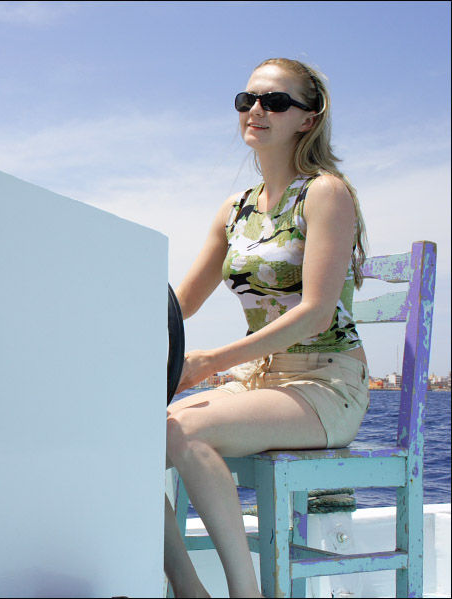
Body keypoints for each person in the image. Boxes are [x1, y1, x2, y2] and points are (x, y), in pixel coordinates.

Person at [164, 58, 370, 598]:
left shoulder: (325, 193)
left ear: (307, 119)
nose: (256, 110)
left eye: (275, 102)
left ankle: (246, 594)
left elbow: (317, 312)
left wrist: (210, 362)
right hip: (258, 381)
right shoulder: (234, 211)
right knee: (129, 432)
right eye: (247, 99)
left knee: (180, 429)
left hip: (325, 382)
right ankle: (188, 589)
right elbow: (180, 304)